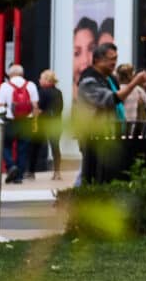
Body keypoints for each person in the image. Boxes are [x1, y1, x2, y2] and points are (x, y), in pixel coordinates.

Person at [73, 44, 123, 185]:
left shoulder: (109, 79)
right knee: (89, 170)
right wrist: (135, 83)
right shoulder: (89, 80)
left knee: (91, 170)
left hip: (107, 132)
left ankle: (76, 197)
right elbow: (111, 99)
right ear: (98, 60)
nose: (114, 63)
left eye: (116, 59)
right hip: (92, 134)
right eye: (111, 59)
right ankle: (76, 198)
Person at [0, 61, 37, 180]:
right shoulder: (31, 85)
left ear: (10, 74)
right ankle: (18, 177)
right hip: (26, 120)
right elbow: (35, 106)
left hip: (9, 120)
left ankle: (11, 165)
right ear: (22, 74)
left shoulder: (5, 86)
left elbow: (0, 105)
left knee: (4, 145)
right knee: (22, 149)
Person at [31, 68, 62, 177]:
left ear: (47, 80)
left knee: (35, 147)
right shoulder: (58, 92)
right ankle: (57, 171)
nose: (39, 80)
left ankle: (31, 171)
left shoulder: (41, 92)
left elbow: (37, 108)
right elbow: (59, 109)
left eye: (41, 78)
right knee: (55, 147)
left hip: (43, 123)